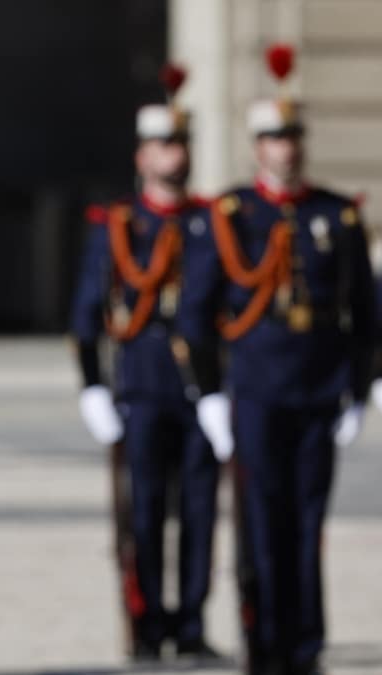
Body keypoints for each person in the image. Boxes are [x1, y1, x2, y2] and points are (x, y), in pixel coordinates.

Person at [178, 44, 374, 675]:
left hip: (318, 392)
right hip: (257, 391)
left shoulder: (335, 214)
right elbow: (197, 314)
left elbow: (366, 315)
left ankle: (305, 646)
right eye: (273, 138)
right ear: (258, 147)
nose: (285, 149)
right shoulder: (232, 215)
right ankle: (263, 644)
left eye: (292, 137)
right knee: (262, 523)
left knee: (308, 524)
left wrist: (363, 388)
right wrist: (209, 394)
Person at [70, 64, 220, 661]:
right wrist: (93, 388)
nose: (173, 155)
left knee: (202, 515)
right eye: (163, 144)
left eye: (180, 144)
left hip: (203, 390)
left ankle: (192, 625)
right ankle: (147, 625)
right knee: (144, 516)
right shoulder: (117, 226)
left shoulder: (214, 222)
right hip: (142, 387)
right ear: (143, 154)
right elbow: (87, 313)